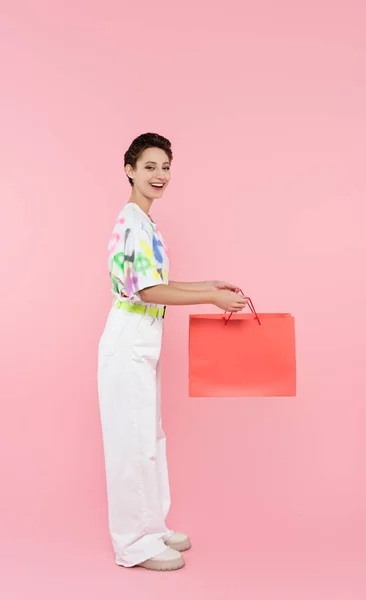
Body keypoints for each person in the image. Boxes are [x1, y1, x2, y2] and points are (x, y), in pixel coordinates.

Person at [98, 133, 247, 571]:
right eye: (149, 166)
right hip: (128, 338)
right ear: (129, 170)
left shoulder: (146, 224)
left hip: (144, 338)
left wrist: (208, 287)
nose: (159, 175)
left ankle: (152, 526)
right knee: (130, 441)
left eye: (165, 167)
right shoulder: (130, 222)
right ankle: (132, 543)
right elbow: (146, 290)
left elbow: (160, 287)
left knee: (149, 437)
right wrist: (209, 300)